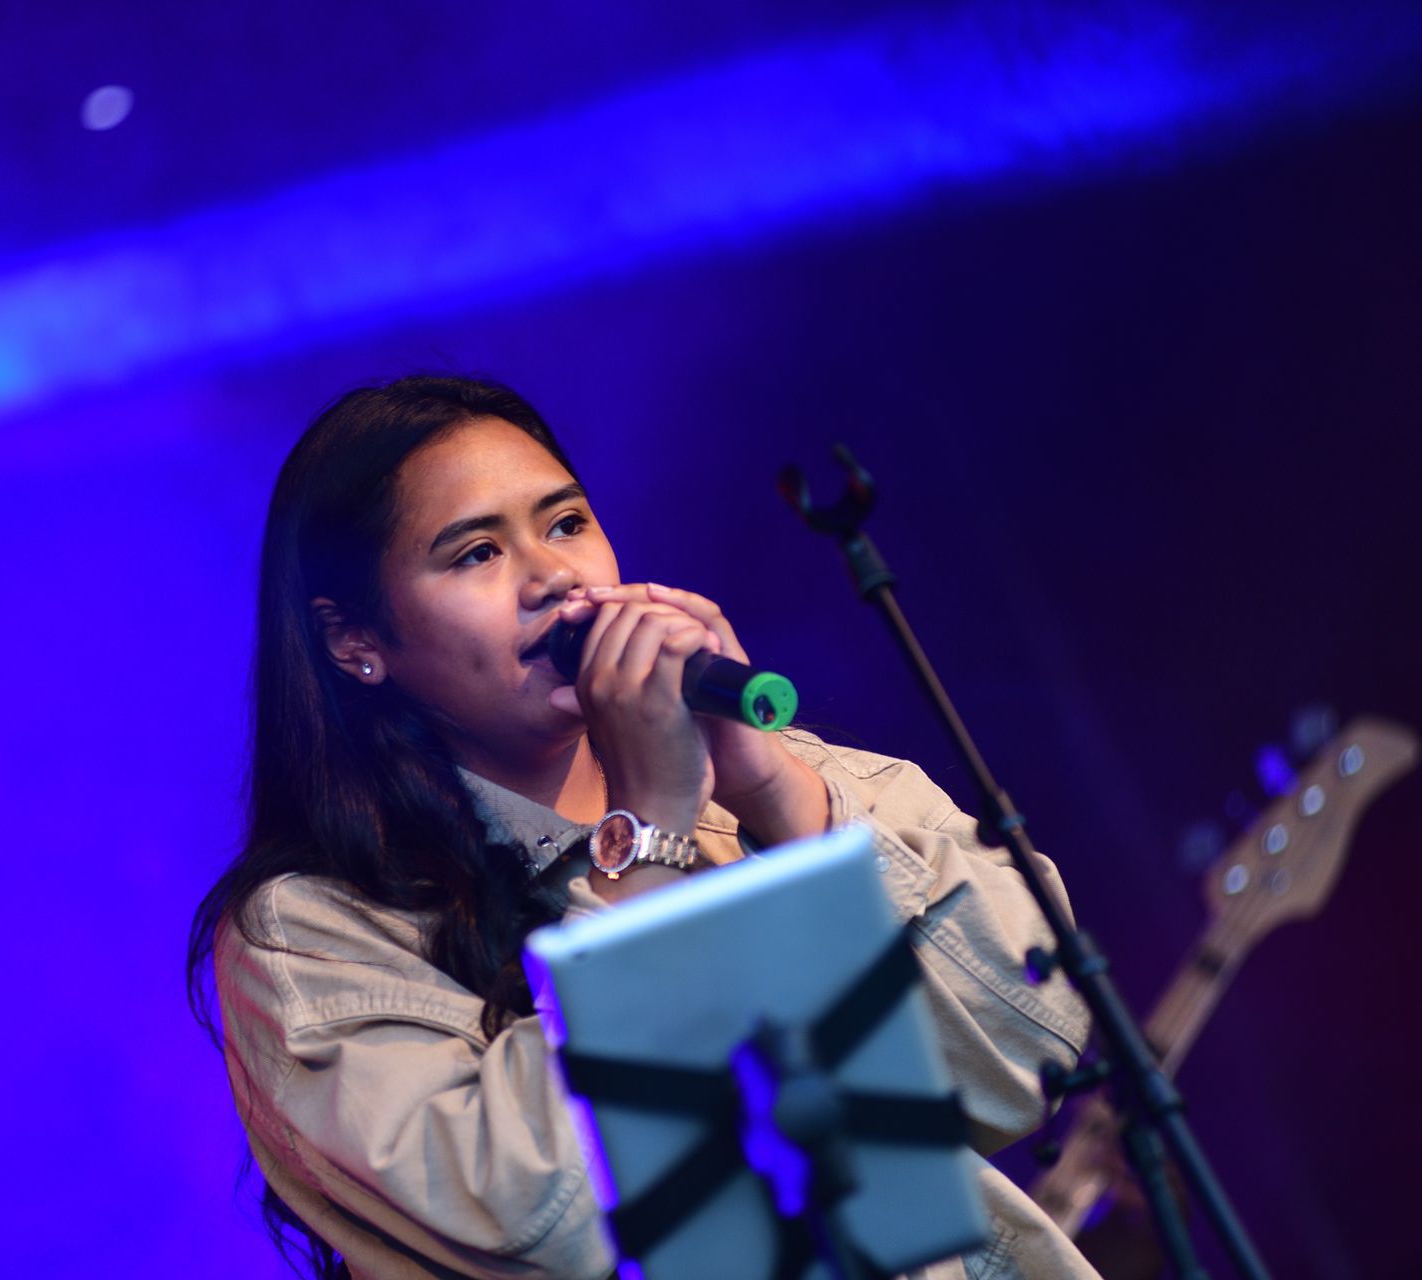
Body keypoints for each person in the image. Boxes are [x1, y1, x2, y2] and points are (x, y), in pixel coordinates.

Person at [187, 375, 1098, 1279]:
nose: (554, 578)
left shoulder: (792, 785)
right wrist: (649, 837)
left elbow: (1029, 1048)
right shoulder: (310, 931)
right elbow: (552, 1222)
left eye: (566, 523)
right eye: (477, 553)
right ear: (354, 641)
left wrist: (774, 794)